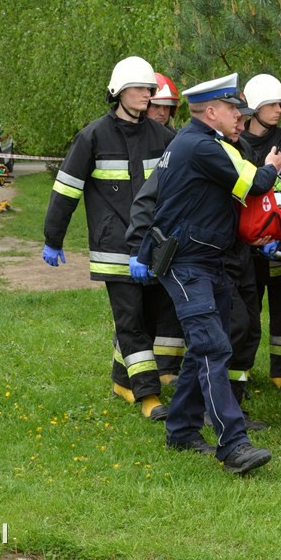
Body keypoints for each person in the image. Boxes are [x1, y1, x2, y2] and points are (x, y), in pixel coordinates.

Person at [134, 72, 281, 474]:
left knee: (204, 348)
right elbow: (254, 184)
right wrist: (269, 165)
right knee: (214, 348)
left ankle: (181, 430)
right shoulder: (201, 145)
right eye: (235, 110)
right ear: (212, 111)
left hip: (205, 260)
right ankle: (233, 444)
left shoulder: (201, 141)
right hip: (187, 263)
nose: (241, 118)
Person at [42, 56, 178, 421]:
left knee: (149, 319)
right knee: (130, 320)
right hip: (114, 248)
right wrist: (52, 237)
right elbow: (66, 190)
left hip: (152, 246)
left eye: (150, 90)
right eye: (138, 89)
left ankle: (122, 380)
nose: (146, 95)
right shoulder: (93, 137)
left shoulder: (164, 137)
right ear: (118, 91)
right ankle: (149, 396)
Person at [240, 73, 281, 392]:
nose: (279, 109)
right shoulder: (237, 141)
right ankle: (242, 369)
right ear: (254, 107)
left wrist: (279, 232)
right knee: (246, 312)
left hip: (280, 240)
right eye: (273, 104)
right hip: (245, 242)